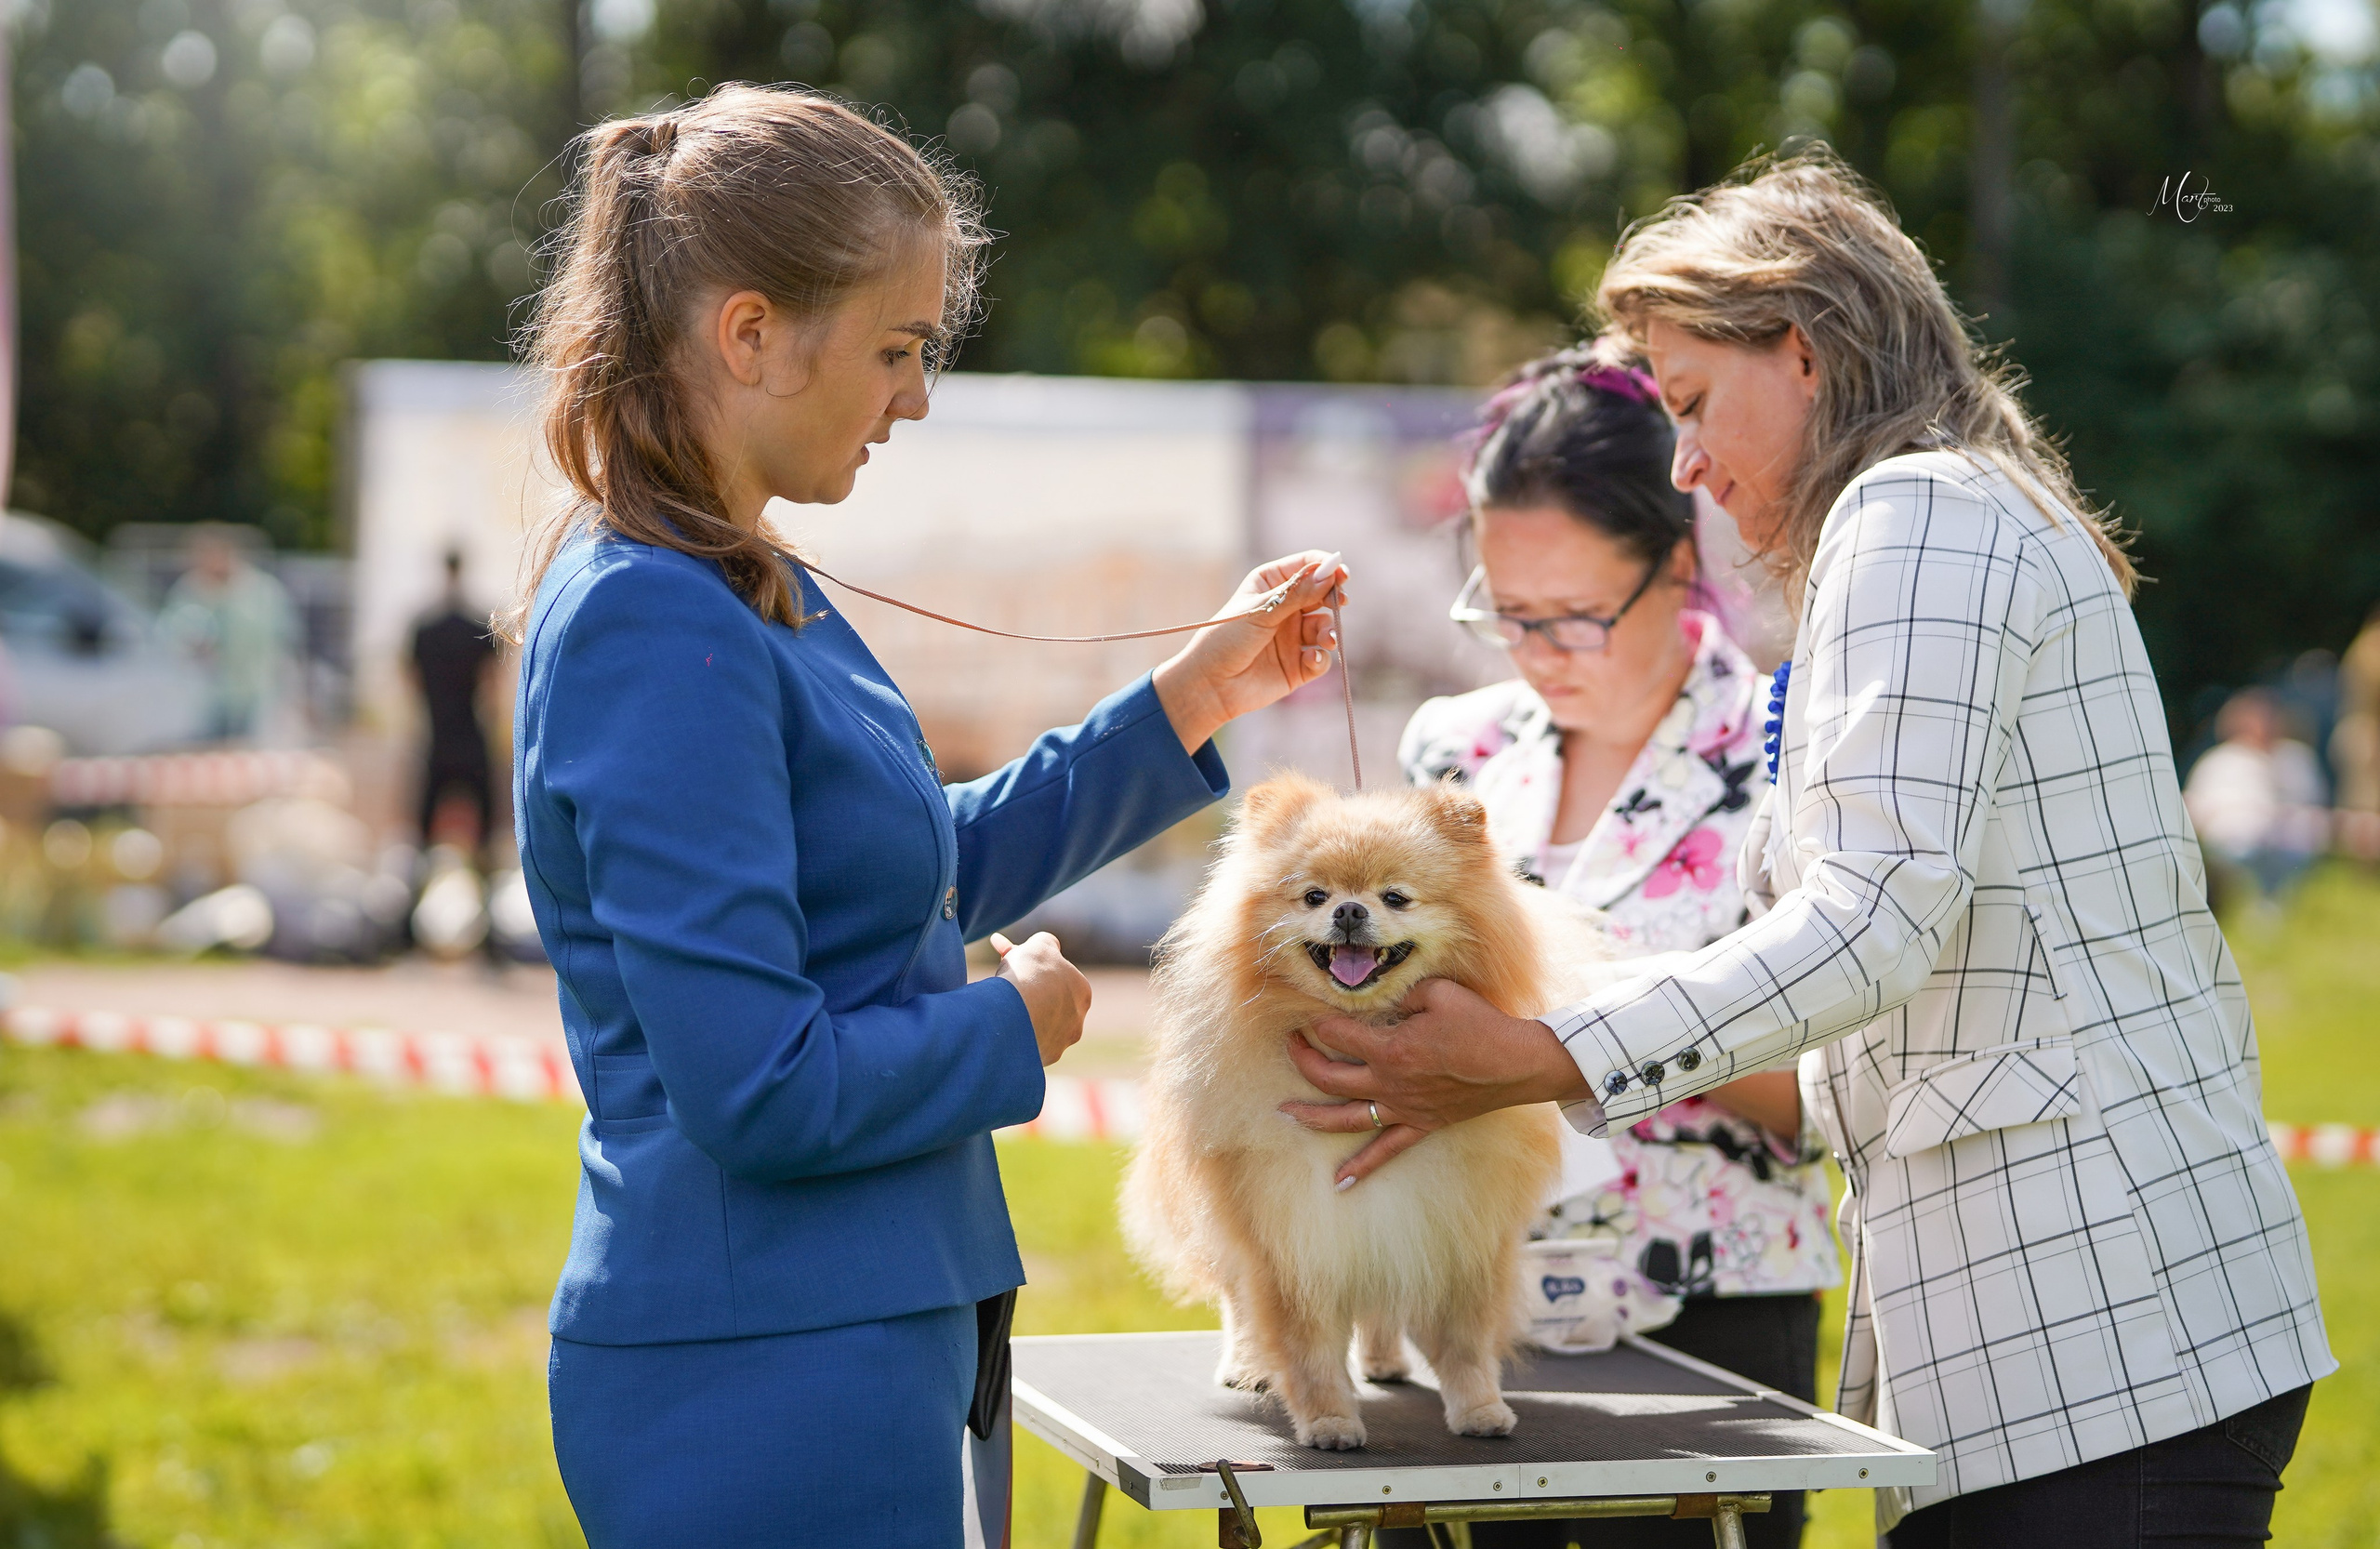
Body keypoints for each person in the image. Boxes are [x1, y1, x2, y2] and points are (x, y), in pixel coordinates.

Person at [1284, 150, 2331, 1546]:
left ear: (1809, 349)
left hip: (2105, 1336)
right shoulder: (1949, 513)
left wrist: (1537, 1056)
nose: (1685, 464)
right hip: (2088, 1344)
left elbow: (1872, 917)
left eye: (1698, 402)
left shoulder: (1917, 514)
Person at [506, 86, 1348, 1548]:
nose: (915, 396)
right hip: (761, 1379)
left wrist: (1189, 699)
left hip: (834, 1343)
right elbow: (758, 1085)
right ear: (751, 332)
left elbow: (912, 871)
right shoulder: (658, 619)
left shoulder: (737, 579)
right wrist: (1009, 1024)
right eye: (898, 348)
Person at [1391, 346, 1834, 1548]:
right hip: (1459, 1303)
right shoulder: (1452, 752)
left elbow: (1841, 1092)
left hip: (1708, 1316)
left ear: (1679, 566)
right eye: (1506, 613)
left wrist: (1564, 1038)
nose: (1538, 652)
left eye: (1577, 615)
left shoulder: (1792, 753)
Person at [2183, 687, 2328, 917]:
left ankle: (2271, 905)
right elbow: (2196, 808)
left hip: (2287, 844)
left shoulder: (2296, 758)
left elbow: (2313, 806)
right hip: (2234, 844)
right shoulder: (2218, 761)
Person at [158, 525, 297, 743]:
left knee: (252, 751)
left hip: (258, 689)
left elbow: (285, 637)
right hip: (208, 694)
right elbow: (174, 634)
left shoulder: (261, 590)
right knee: (206, 751)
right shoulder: (190, 589)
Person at [408, 550, 498, 854]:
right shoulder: (478, 627)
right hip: (470, 730)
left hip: (437, 731)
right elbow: (491, 683)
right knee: (486, 813)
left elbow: (413, 680)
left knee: (424, 818)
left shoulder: (425, 628)